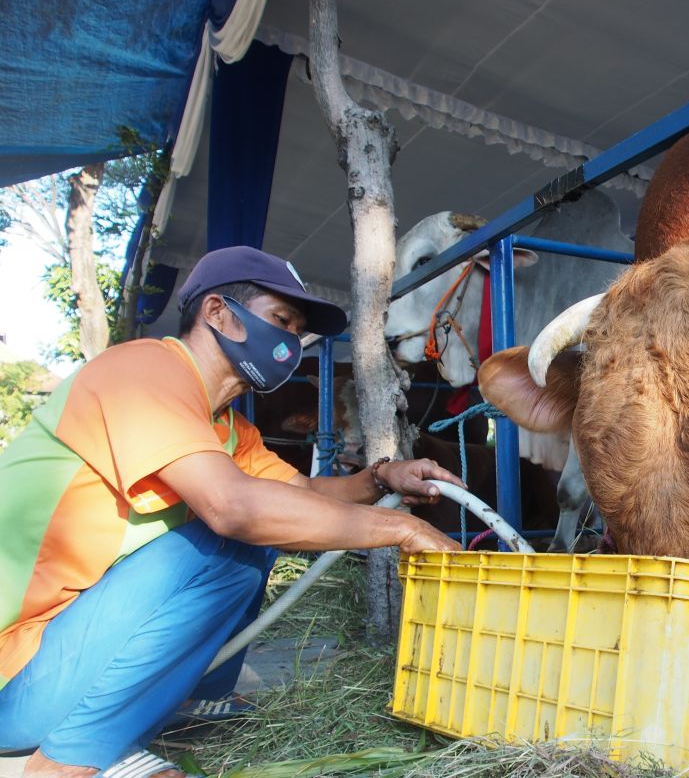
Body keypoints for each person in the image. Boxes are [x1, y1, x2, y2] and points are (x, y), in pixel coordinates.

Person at [0, 246, 463, 778]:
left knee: (268, 519)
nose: (289, 344)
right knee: (232, 536)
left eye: (297, 331)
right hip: (15, 674)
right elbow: (233, 508)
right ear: (217, 312)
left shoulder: (226, 427)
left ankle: (193, 702)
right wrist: (401, 529)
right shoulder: (142, 370)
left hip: (61, 658)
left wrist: (383, 477)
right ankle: (73, 760)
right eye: (280, 321)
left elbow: (305, 493)